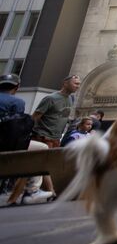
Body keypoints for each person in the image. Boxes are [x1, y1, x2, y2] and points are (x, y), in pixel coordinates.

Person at [0, 74, 55, 207]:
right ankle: (32, 191)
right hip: (5, 145)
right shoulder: (17, 102)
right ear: (17, 87)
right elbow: (15, 129)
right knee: (42, 149)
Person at [31, 74, 80, 148]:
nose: (78, 86)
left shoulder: (71, 99)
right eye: (76, 83)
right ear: (65, 83)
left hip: (56, 139)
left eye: (79, 84)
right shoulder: (50, 98)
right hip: (43, 138)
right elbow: (34, 118)